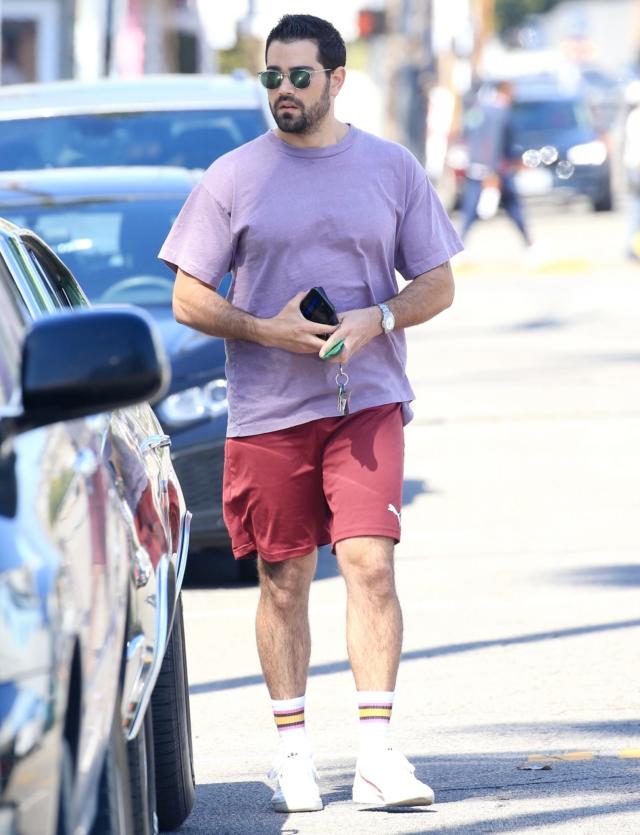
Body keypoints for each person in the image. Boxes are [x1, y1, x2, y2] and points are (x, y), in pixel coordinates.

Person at [159, 14, 462, 813]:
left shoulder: (391, 169)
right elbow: (188, 295)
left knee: (369, 561)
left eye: (299, 77)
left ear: (336, 81)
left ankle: (376, 755)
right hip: (267, 412)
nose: (284, 92)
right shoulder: (233, 177)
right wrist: (267, 329)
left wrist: (380, 318)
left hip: (366, 401)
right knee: (283, 576)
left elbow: (437, 281)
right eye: (272, 78)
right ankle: (293, 751)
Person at [459, 80, 533, 247]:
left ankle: (458, 246)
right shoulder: (500, 112)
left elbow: (469, 136)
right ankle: (529, 245)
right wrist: (492, 170)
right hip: (495, 169)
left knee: (470, 210)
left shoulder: (479, 108)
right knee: (513, 207)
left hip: (475, 166)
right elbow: (494, 142)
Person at [623, 81, 640, 262]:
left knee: (636, 208)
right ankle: (631, 248)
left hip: (633, 168)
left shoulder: (632, 117)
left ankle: (630, 247)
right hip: (638, 167)